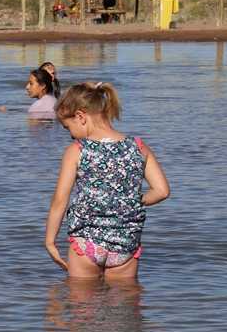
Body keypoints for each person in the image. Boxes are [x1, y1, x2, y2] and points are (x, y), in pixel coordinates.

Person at [44, 82, 170, 280]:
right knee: (125, 306)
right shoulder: (137, 146)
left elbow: (60, 200)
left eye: (68, 127)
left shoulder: (77, 150)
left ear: (80, 116)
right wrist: (130, 201)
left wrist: (50, 241)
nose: (70, 134)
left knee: (82, 305)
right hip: (125, 244)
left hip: (87, 242)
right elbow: (162, 191)